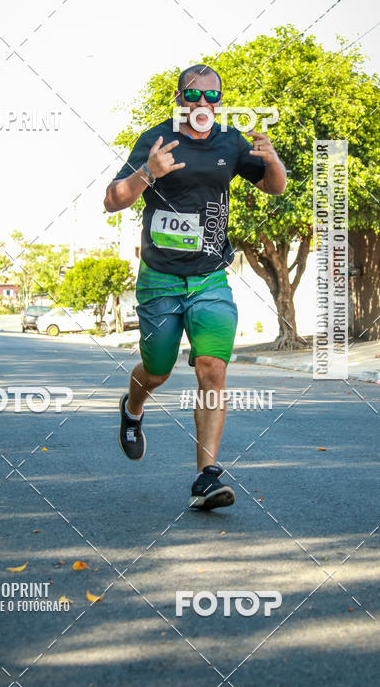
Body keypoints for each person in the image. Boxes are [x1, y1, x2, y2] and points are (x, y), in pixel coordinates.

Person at [104, 65, 286, 510]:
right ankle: (132, 408)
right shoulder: (157, 139)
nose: (203, 104)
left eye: (212, 96)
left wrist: (273, 159)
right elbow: (112, 200)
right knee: (158, 370)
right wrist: (148, 171)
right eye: (194, 95)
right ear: (180, 98)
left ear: (220, 100)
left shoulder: (231, 141)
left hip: (210, 277)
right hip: (160, 280)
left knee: (212, 369)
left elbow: (274, 187)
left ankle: (206, 476)